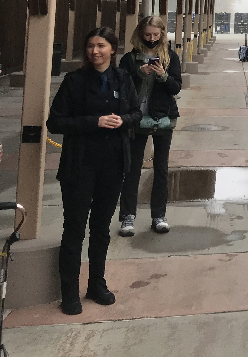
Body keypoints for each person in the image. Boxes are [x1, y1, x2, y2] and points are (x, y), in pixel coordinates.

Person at [46, 27, 141, 315]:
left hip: (112, 165)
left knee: (101, 228)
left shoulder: (123, 79)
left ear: (113, 49)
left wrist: (121, 120)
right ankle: (69, 291)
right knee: (74, 228)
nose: (95, 51)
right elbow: (56, 122)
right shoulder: (74, 81)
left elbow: (137, 114)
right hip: (79, 165)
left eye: (101, 45)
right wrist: (94, 122)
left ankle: (96, 283)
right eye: (90, 46)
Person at [118, 15, 181, 236]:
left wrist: (163, 75)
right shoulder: (129, 59)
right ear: (140, 34)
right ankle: (127, 216)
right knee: (132, 169)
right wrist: (138, 73)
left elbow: (176, 88)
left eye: (156, 35)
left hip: (163, 118)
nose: (152, 38)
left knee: (161, 169)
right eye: (147, 35)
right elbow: (121, 88)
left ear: (162, 34)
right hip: (135, 119)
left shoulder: (170, 57)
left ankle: (159, 215)